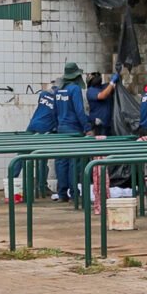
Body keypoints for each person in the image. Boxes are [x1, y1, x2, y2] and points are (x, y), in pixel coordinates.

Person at [55, 62, 93, 202]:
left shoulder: (59, 89)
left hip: (61, 129)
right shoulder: (74, 89)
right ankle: (74, 193)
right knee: (73, 161)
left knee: (61, 161)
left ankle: (62, 193)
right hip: (73, 130)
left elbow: (55, 111)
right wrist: (87, 127)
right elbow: (79, 110)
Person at [10, 82, 58, 182]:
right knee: (42, 158)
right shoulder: (58, 101)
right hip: (44, 128)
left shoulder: (43, 95)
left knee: (22, 154)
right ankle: (41, 185)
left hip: (32, 124)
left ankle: (11, 180)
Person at [86, 71, 120, 136]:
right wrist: (112, 82)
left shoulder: (104, 86)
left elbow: (111, 87)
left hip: (109, 125)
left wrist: (117, 74)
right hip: (98, 125)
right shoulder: (90, 90)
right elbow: (102, 96)